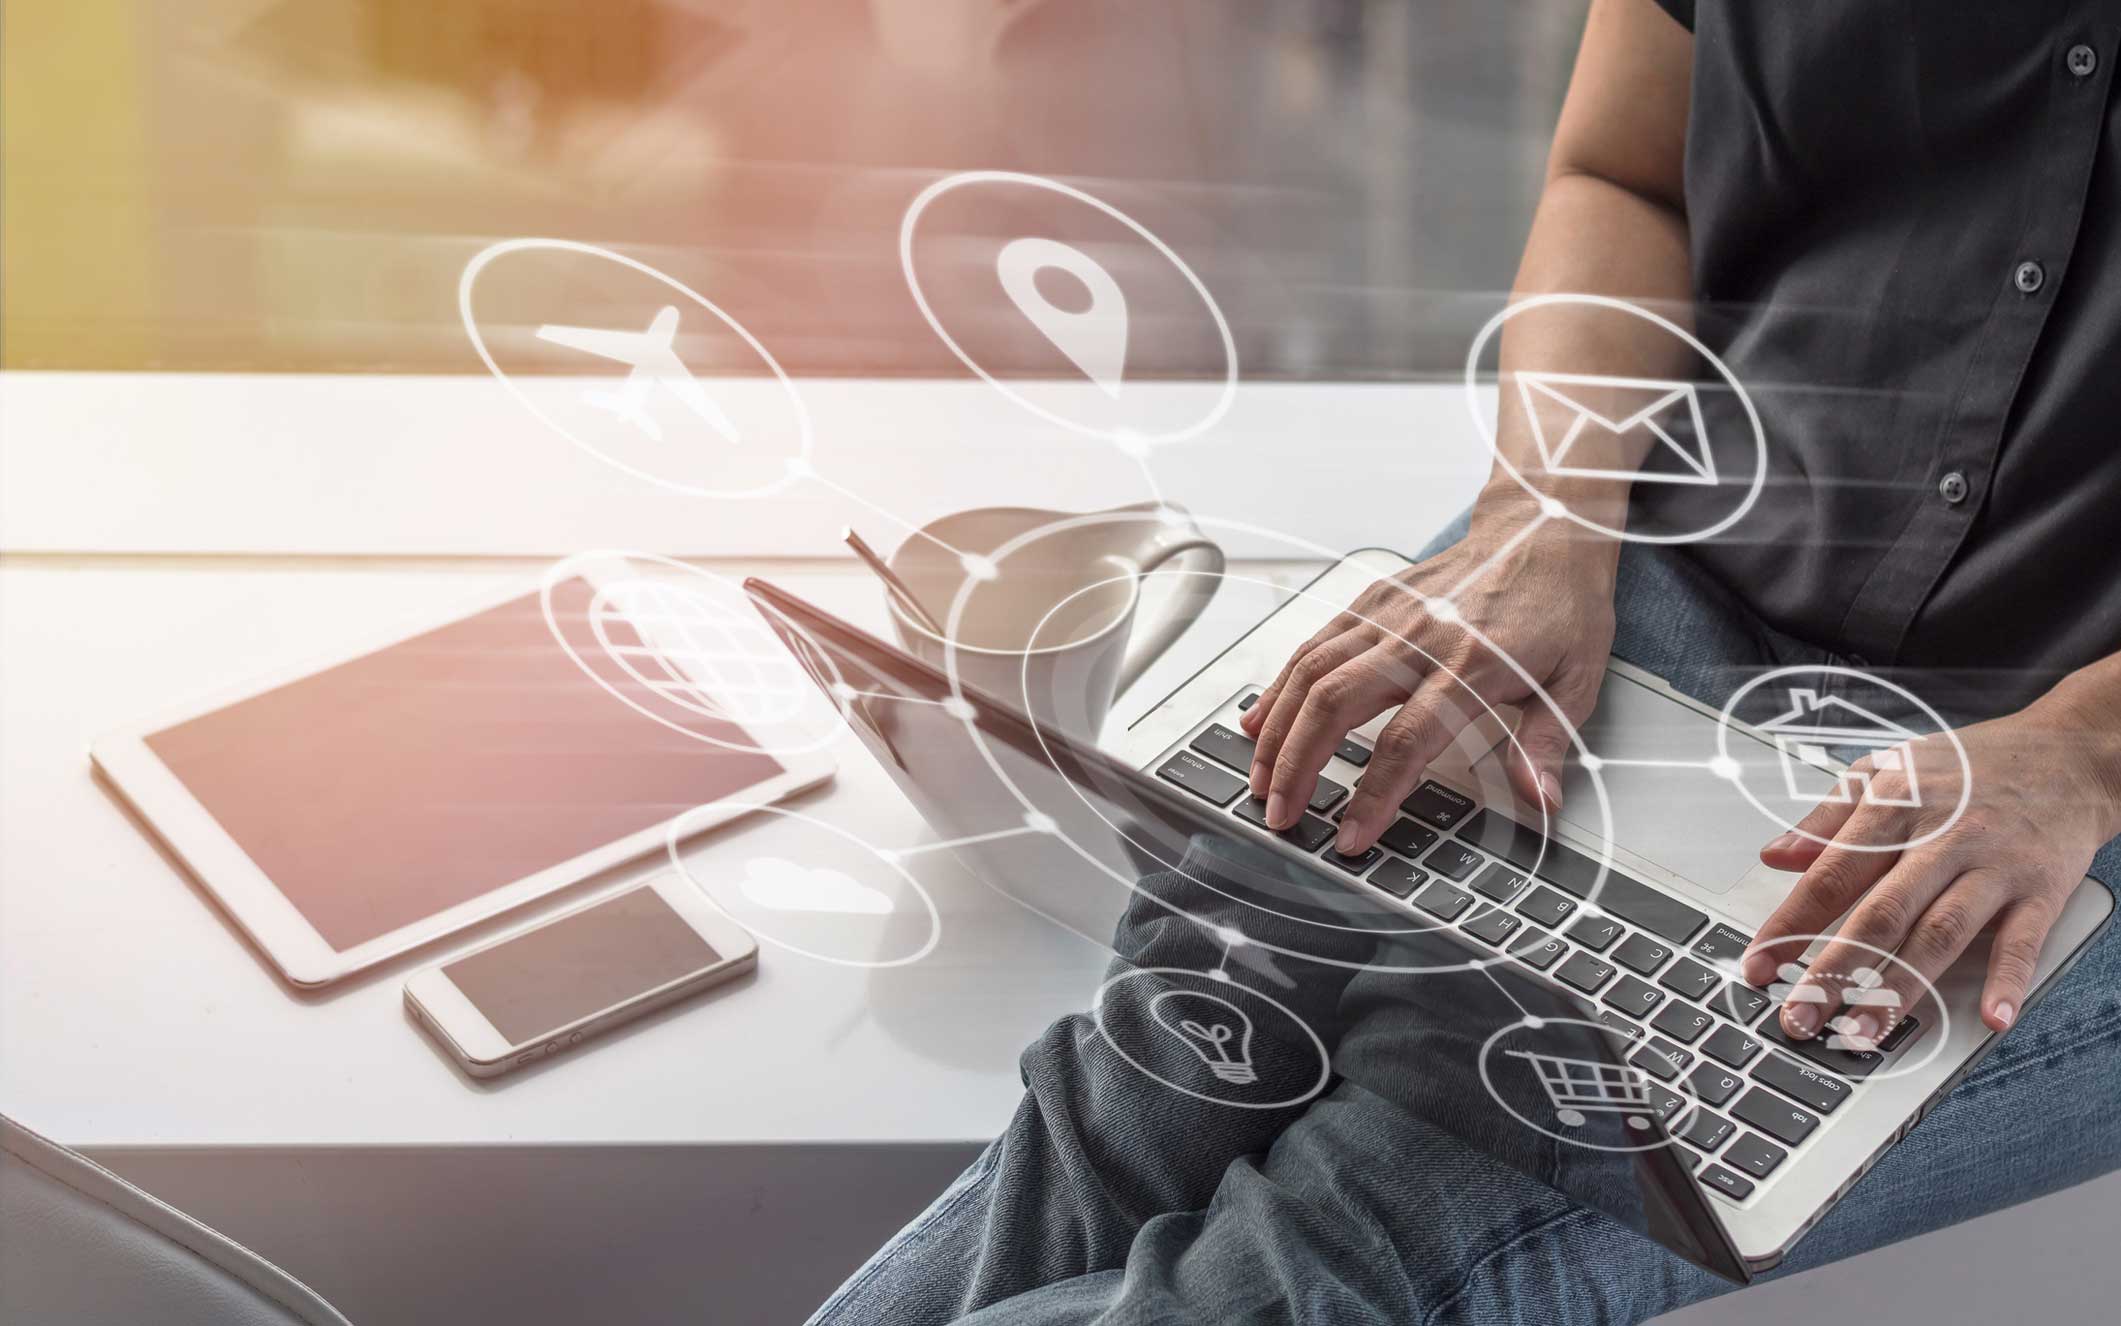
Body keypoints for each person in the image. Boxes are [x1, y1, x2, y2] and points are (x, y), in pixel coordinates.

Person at [809, 2, 2121, 1320]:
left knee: (1362, 1238)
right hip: (1647, 560)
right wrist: (1539, 514)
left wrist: (2082, 743)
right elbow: (1622, 169)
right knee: (1163, 1065)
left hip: (2067, 781)